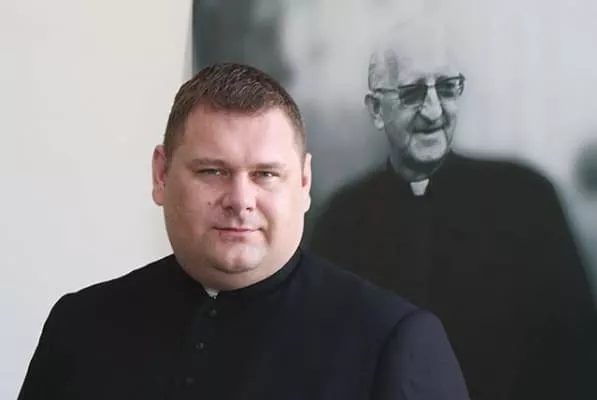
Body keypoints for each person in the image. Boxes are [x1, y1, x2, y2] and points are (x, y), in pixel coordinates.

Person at [18, 63, 469, 400]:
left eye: (265, 174)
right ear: (161, 175)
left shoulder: (393, 341)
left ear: (304, 183)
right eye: (212, 171)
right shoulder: (80, 326)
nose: (240, 199)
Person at [309, 20, 596, 400]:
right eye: (412, 93)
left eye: (446, 89)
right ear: (377, 109)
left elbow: (577, 358)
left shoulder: (526, 200)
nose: (433, 112)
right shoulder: (342, 222)